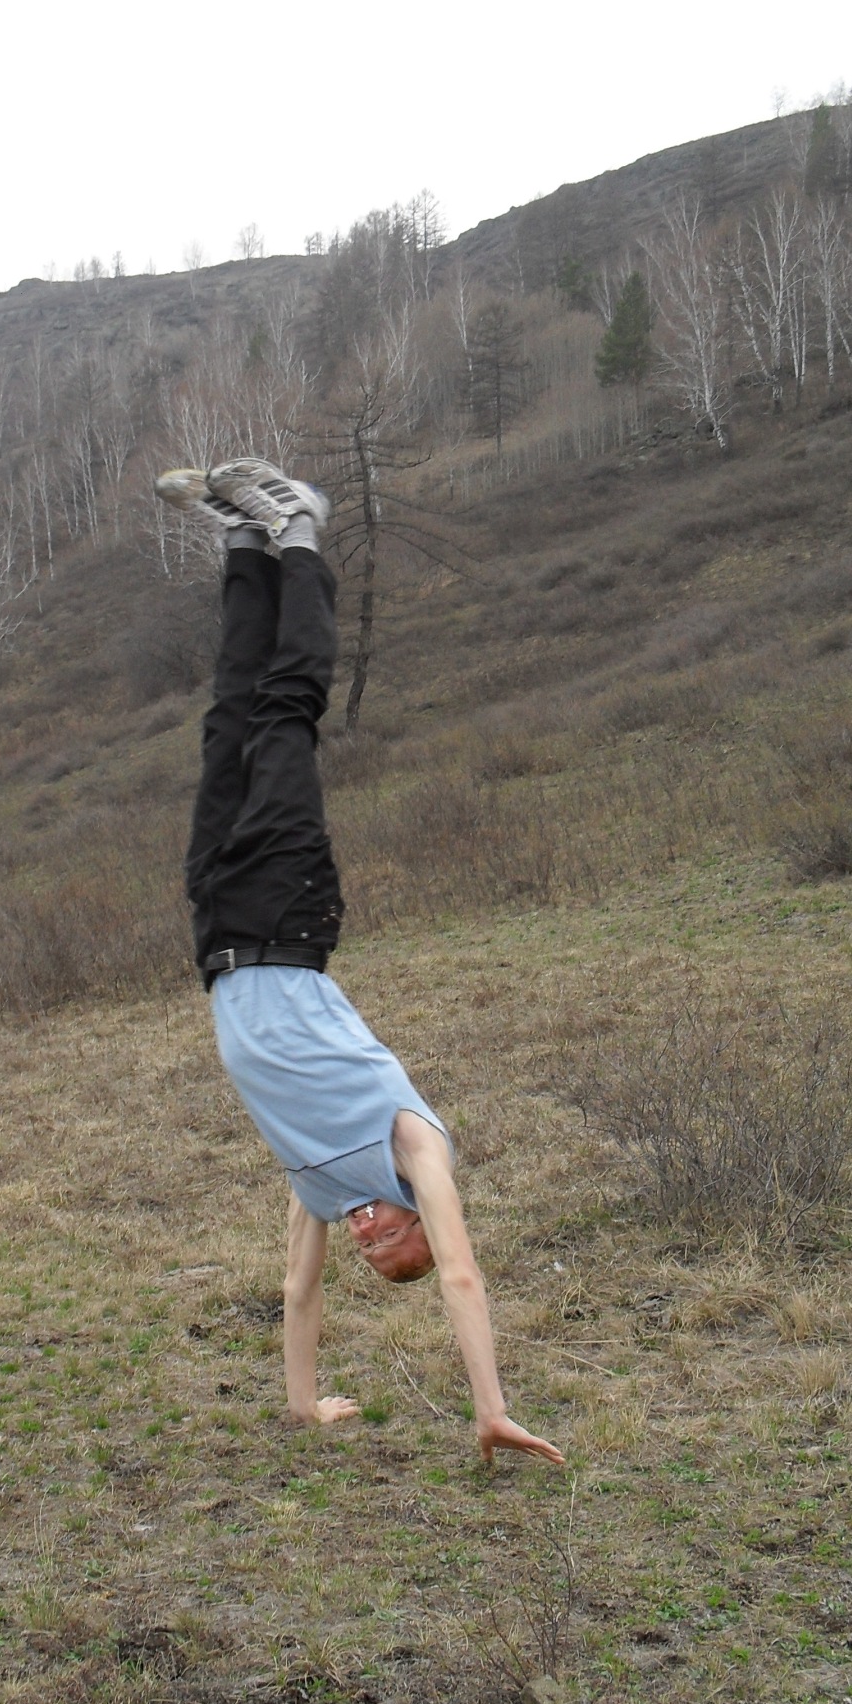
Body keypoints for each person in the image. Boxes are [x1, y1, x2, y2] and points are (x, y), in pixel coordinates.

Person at [158, 458, 564, 1469]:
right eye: (396, 1242)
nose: (372, 1238)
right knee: (286, 713)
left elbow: (297, 1290)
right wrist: (489, 1407)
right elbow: (463, 1276)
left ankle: (245, 541)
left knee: (229, 721)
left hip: (219, 929)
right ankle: (301, 529)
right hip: (288, 917)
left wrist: (304, 1404)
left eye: (372, 1254)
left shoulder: (317, 1185)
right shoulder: (413, 1147)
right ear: (420, 1216)